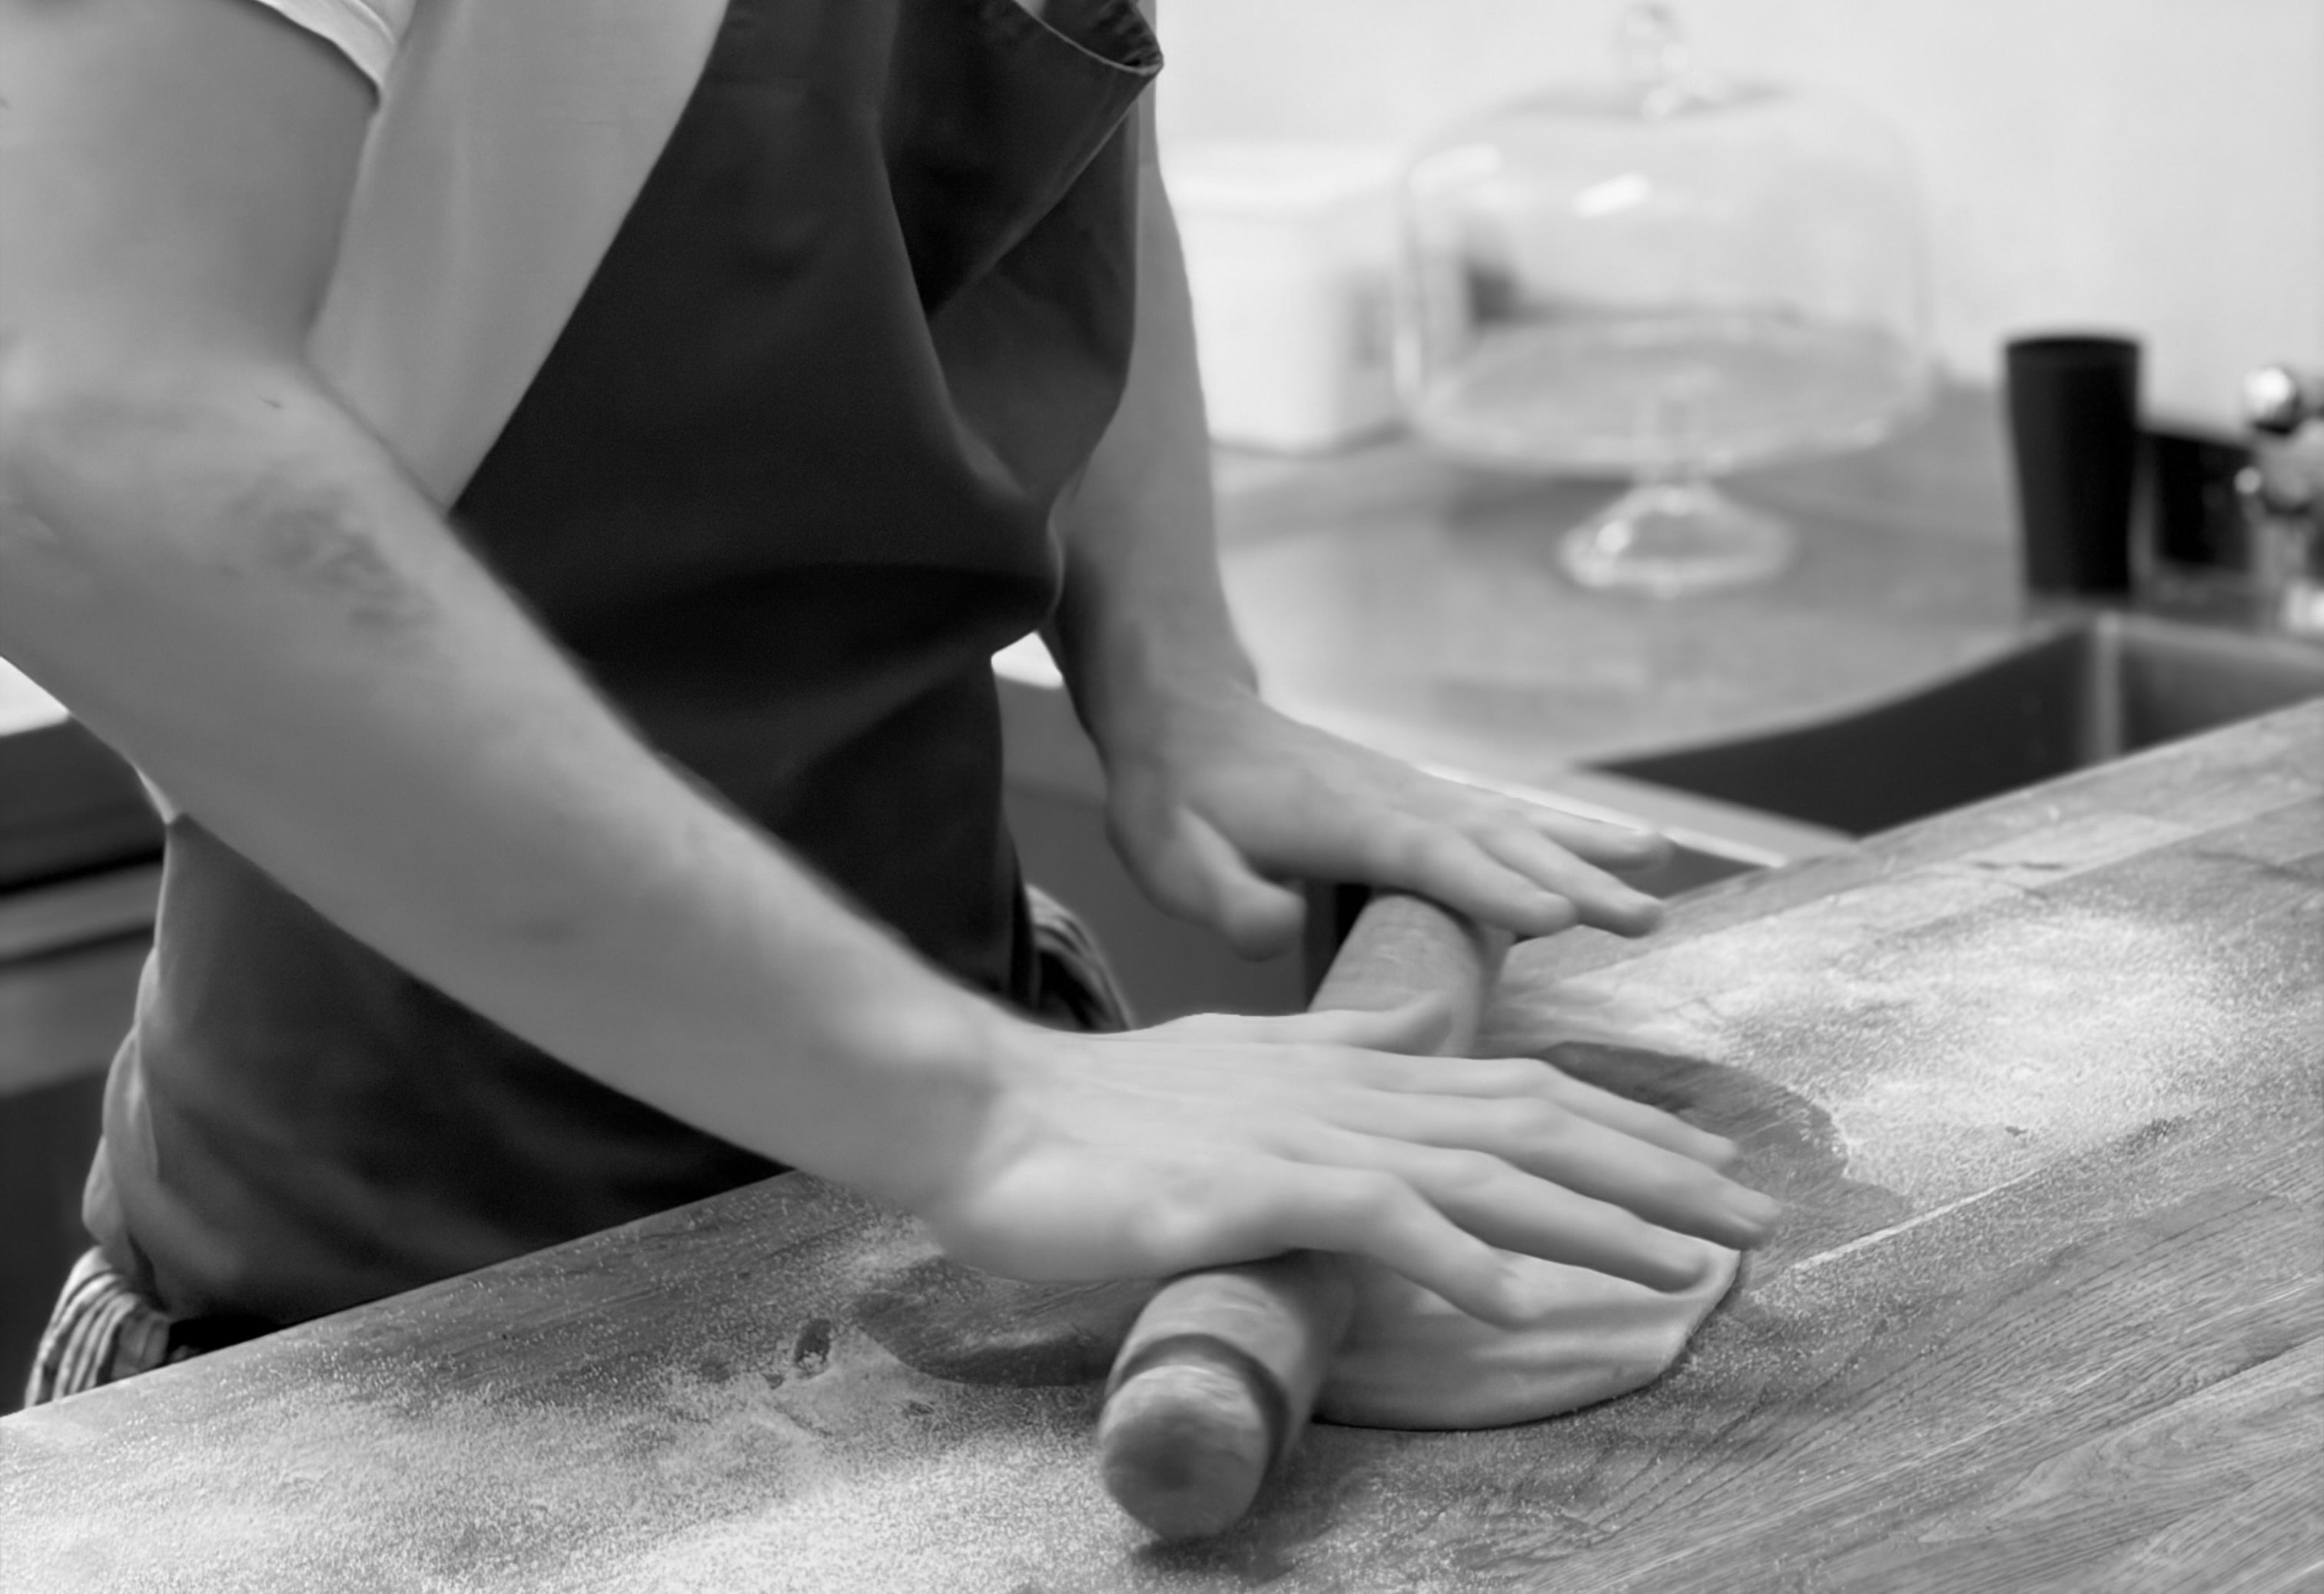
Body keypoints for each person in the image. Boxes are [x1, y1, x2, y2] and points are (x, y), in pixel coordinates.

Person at [2, 0, 1778, 1404]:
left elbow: (1060, 83)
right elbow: (88, 443)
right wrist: (980, 1108)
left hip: (946, 1145)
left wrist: (1171, 661)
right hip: (387, 1306)